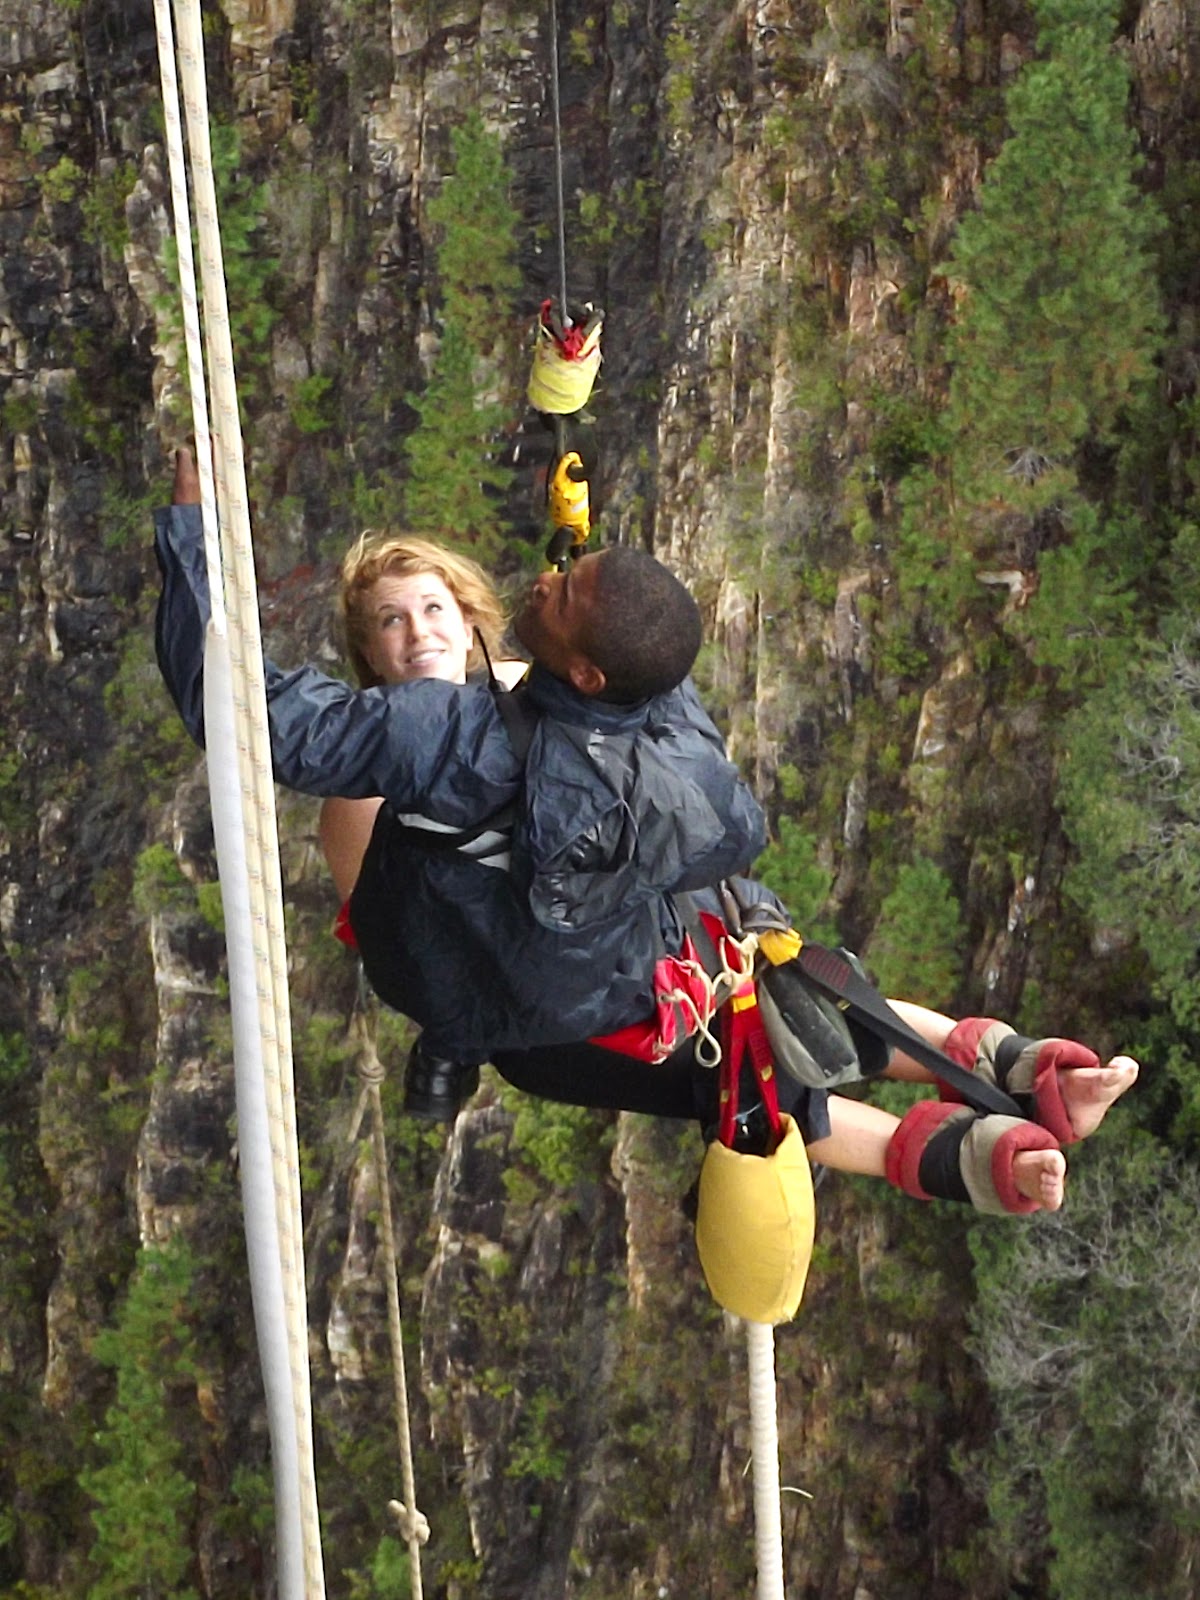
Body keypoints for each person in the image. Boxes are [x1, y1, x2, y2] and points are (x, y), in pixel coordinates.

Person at [155, 452, 1136, 1215]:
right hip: (606, 977)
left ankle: (1015, 1106)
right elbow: (613, 641)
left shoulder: (437, 731)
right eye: (389, 621)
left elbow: (241, 714)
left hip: (609, 974)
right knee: (784, 1042)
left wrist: (193, 531)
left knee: (785, 1034)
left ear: (478, 619)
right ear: (365, 650)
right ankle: (1012, 1104)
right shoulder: (658, 705)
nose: (415, 632)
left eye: (433, 609)